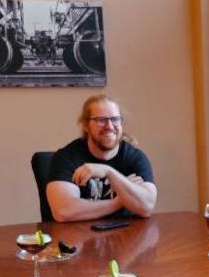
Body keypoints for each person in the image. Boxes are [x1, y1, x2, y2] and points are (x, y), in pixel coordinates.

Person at [47, 94, 157, 222]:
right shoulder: (67, 157)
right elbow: (64, 211)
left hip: (125, 236)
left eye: (115, 119)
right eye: (101, 120)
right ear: (85, 125)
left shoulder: (134, 157)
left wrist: (109, 172)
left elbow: (146, 207)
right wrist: (122, 200)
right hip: (79, 238)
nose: (110, 126)